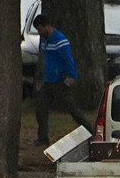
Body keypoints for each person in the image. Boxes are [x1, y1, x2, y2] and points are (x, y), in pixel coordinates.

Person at [31, 14, 88, 146]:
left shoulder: (60, 40)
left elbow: (68, 60)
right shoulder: (45, 40)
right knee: (41, 109)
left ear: (46, 26)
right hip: (47, 80)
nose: (39, 32)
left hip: (59, 81)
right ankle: (43, 138)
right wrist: (40, 74)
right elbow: (45, 60)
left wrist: (73, 76)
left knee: (71, 108)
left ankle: (89, 130)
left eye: (40, 29)